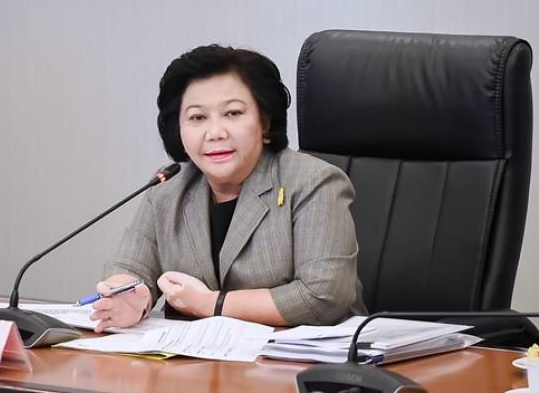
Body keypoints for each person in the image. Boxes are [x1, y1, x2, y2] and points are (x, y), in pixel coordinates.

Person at [91, 45, 366, 332]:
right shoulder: (168, 187)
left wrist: (212, 304)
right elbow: (132, 267)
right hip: (194, 357)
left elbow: (322, 296)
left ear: (264, 122)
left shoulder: (313, 182)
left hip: (300, 356)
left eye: (233, 113)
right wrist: (127, 296)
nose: (215, 133)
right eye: (197, 118)